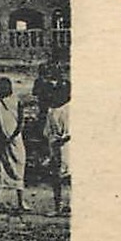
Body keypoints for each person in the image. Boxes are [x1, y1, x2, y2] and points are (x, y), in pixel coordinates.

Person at [0, 76, 27, 213]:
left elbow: (21, 122)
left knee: (18, 169)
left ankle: (21, 201)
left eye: (2, 87)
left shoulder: (17, 102)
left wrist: (12, 137)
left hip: (14, 142)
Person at [42, 78, 71, 215]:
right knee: (56, 178)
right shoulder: (51, 110)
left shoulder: (71, 108)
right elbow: (47, 132)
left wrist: (64, 139)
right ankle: (58, 206)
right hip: (55, 148)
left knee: (70, 177)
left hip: (69, 148)